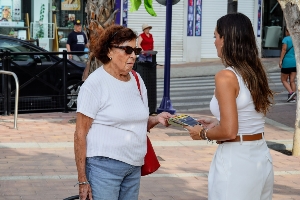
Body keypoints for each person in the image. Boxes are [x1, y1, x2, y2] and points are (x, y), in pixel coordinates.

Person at [74, 24, 172, 200]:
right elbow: (80, 134)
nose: (133, 55)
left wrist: (156, 119)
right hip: (103, 168)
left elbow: (137, 121)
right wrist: (82, 180)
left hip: (134, 166)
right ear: (109, 51)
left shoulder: (136, 79)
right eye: (127, 50)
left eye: (136, 50)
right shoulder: (95, 84)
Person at [185, 13, 274, 200]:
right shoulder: (255, 72)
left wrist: (201, 133)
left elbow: (229, 132)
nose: (214, 42)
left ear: (225, 39)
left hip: (237, 160)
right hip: (260, 157)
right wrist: (216, 121)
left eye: (215, 36)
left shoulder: (226, 76)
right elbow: (246, 115)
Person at [279, 27, 296, 102]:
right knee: (292, 81)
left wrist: (280, 60)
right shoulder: (296, 39)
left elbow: (284, 49)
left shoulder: (286, 39)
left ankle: (291, 92)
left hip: (287, 62)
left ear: (288, 31)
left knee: (283, 80)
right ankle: (293, 98)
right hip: (294, 62)